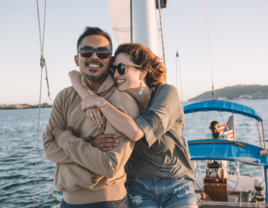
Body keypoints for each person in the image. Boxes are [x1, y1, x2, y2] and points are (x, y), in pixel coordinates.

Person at [69, 43, 198, 208]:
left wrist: (98, 101)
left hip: (176, 182)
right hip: (138, 185)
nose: (115, 75)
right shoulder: (121, 103)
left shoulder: (166, 93)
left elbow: (136, 132)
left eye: (122, 68)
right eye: (113, 69)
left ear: (142, 72)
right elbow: (74, 74)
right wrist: (85, 95)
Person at [42, 27, 139, 208]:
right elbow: (49, 149)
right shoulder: (65, 97)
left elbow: (109, 166)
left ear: (110, 60)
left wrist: (63, 137)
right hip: (67, 202)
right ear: (77, 59)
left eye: (102, 52)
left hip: (107, 201)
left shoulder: (123, 102)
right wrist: (91, 146)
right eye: (87, 51)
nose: (94, 56)